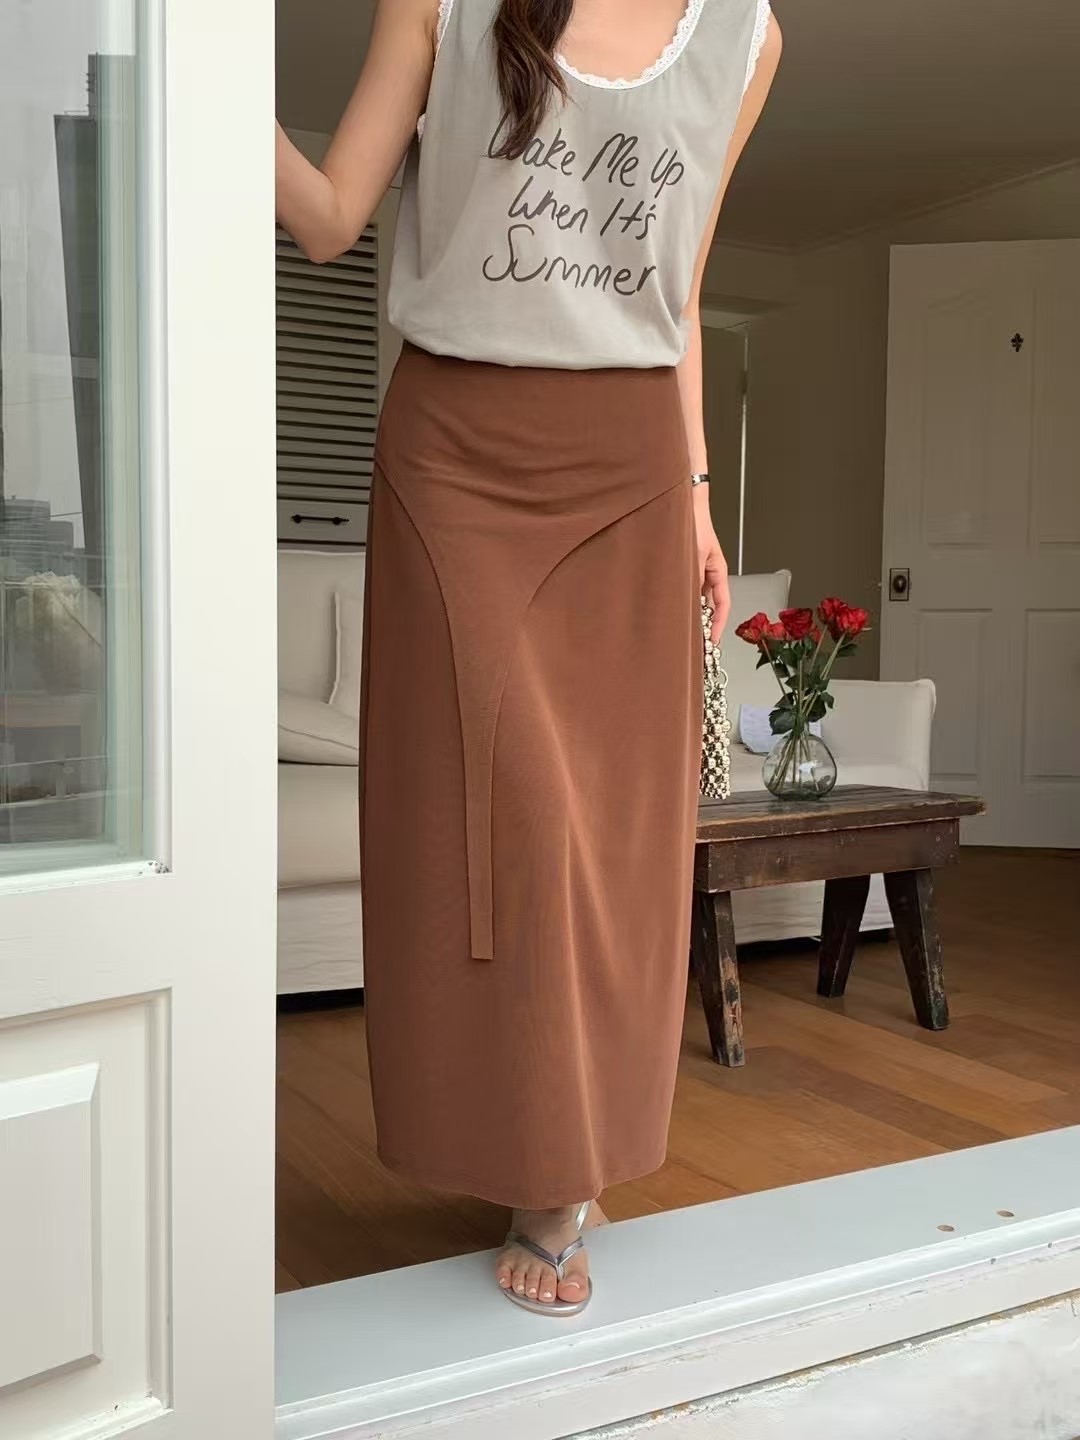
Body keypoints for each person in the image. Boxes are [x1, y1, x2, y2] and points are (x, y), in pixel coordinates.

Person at [276, 0, 781, 1316]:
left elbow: (683, 290)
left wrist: (699, 497)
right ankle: (540, 1151)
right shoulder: (443, 5)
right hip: (454, 450)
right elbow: (327, 218)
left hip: (630, 466)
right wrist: (192, 63)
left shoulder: (744, 36)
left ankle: (560, 1164)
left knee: (609, 828)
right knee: (501, 815)